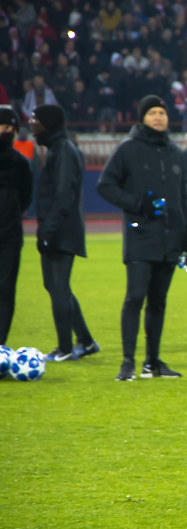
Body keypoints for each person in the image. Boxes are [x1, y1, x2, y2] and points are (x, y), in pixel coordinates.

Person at [98, 95, 187, 382]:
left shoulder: (175, 152)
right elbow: (105, 186)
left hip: (171, 239)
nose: (158, 117)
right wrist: (139, 204)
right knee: (135, 298)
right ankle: (128, 361)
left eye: (162, 113)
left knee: (158, 302)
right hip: (141, 236)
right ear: (142, 118)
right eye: (152, 113)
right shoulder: (128, 149)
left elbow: (183, 200)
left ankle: (152, 362)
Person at [30, 104, 99, 362]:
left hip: (61, 230)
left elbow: (62, 193)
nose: (31, 123)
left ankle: (65, 349)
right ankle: (87, 341)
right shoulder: (59, 148)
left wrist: (48, 229)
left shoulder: (63, 150)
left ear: (47, 123)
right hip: (59, 228)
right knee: (56, 286)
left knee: (58, 287)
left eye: (35, 119)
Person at [0, 106, 33, 346]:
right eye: (3, 126)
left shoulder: (21, 163)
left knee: (6, 291)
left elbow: (26, 198)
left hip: (10, 236)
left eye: (11, 127)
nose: (7, 130)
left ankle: (0, 344)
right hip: (10, 231)